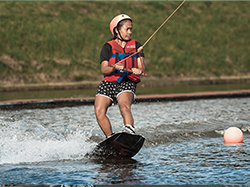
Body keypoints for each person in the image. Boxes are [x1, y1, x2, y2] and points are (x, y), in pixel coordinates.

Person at [94, 14, 145, 138]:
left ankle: (129, 130)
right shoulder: (108, 47)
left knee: (124, 105)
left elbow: (141, 68)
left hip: (127, 81)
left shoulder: (136, 45)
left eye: (131, 29)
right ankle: (110, 137)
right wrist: (114, 67)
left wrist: (138, 70)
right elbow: (104, 69)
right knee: (99, 111)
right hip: (109, 81)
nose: (130, 32)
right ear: (117, 30)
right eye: (127, 29)